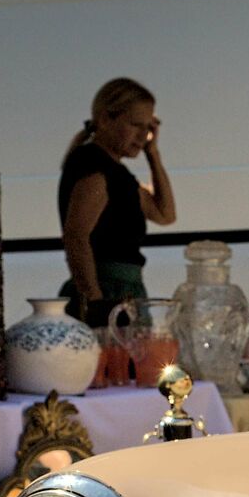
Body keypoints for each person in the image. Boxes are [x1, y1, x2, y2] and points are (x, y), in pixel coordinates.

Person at [58, 77, 174, 325]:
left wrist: (153, 154)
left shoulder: (118, 175)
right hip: (107, 293)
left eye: (149, 127)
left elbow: (165, 214)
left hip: (123, 292)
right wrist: (96, 302)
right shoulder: (94, 168)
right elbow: (76, 235)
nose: (143, 135)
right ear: (105, 120)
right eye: (135, 125)